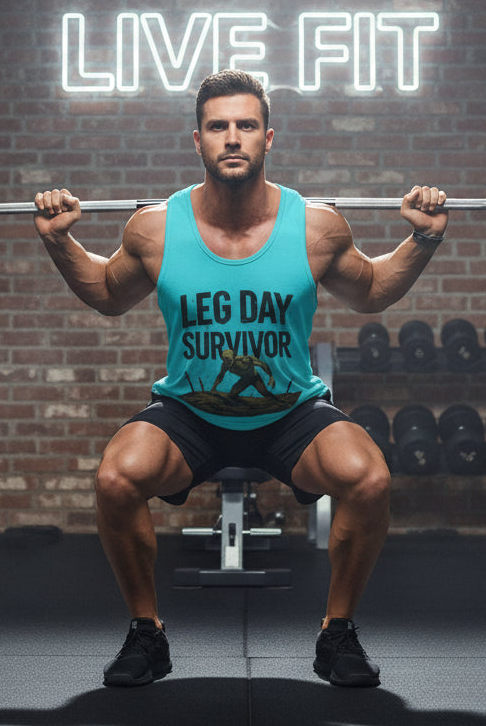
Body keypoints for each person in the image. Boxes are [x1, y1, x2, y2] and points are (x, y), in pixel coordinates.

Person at [33, 69, 448, 688]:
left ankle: (338, 633)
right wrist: (59, 242)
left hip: (290, 412)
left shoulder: (316, 226)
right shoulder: (154, 227)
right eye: (218, 126)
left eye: (246, 125)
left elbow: (371, 291)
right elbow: (107, 294)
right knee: (117, 478)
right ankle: (146, 633)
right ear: (197, 139)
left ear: (268, 137)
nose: (232, 138)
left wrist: (421, 239)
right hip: (191, 413)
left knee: (369, 479)